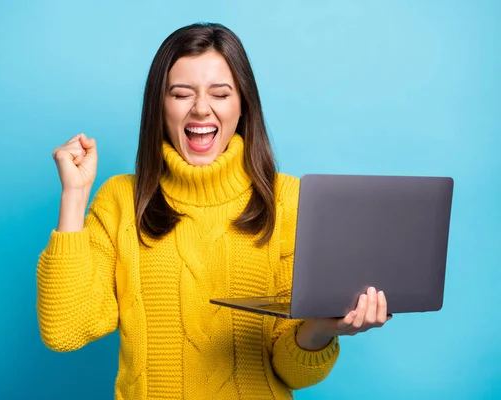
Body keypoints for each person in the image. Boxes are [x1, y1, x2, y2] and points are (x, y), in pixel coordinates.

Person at [37, 23, 391, 399]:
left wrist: (322, 327)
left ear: (243, 104)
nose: (201, 108)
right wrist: (74, 195)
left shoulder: (290, 201)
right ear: (159, 105)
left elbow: (293, 373)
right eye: (181, 94)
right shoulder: (122, 200)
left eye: (220, 94)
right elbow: (64, 329)